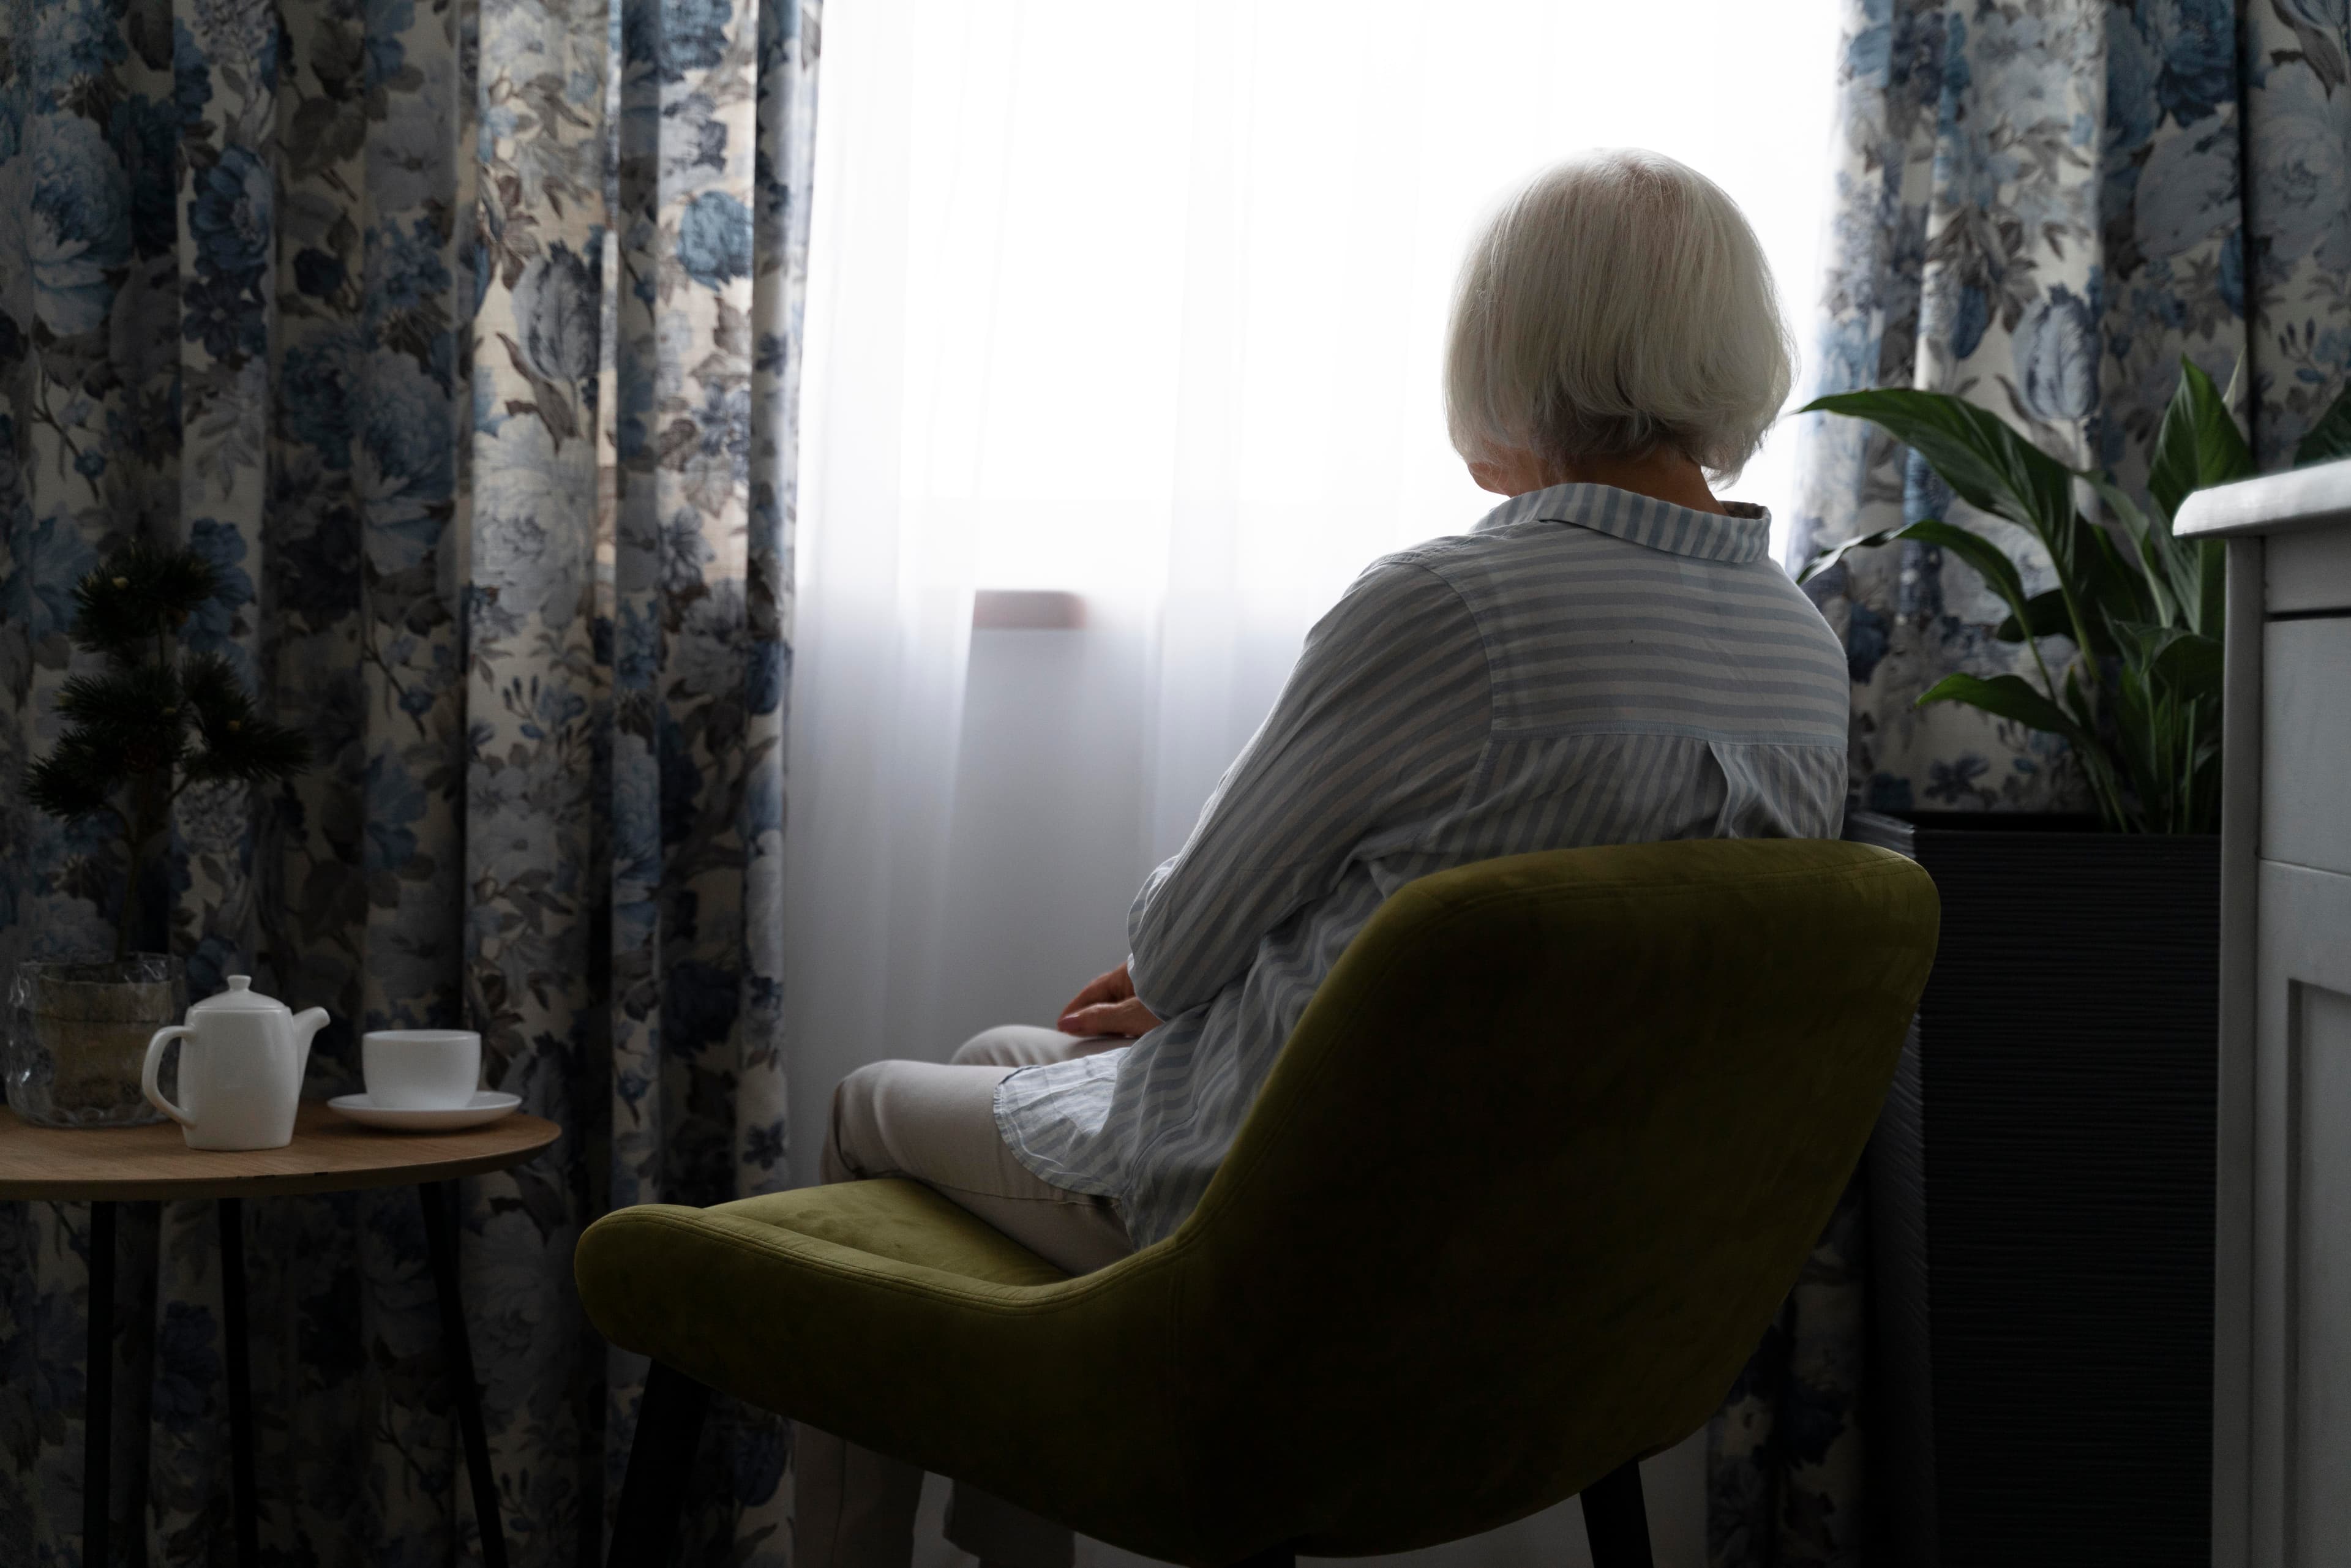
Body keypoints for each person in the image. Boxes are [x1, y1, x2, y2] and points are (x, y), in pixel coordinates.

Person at [795, 146, 1851, 1568]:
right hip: (1582, 1285)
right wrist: (1187, 1007)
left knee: (868, 1108)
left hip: (1315, 1251)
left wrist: (1181, 979)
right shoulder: (1806, 653)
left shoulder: (1451, 607)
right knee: (1003, 1058)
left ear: (1510, 345)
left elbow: (1178, 946)